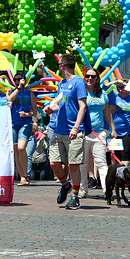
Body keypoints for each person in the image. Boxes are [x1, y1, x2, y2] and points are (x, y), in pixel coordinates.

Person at [43, 53, 89, 210]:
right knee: (54, 163)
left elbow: (82, 106)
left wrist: (76, 127)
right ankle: (65, 184)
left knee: (74, 165)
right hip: (58, 129)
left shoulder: (79, 82)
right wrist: (50, 109)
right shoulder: (61, 84)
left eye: (59, 65)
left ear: (62, 65)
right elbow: (60, 105)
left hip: (73, 130)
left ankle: (75, 197)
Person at [79, 68, 116, 198]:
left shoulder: (102, 94)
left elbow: (107, 113)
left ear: (97, 79)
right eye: (87, 76)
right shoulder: (81, 92)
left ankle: (107, 189)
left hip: (99, 132)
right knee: (83, 163)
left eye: (93, 77)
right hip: (83, 131)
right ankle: (83, 189)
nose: (90, 79)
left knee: (101, 162)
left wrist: (113, 129)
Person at [7, 73, 38, 186]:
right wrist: (19, 88)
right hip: (13, 123)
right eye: (15, 80)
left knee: (21, 148)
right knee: (16, 151)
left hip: (25, 123)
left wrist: (26, 114)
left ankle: (25, 174)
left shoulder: (30, 94)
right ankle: (22, 177)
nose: (17, 81)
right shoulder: (10, 91)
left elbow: (34, 112)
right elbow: (10, 99)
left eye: (19, 79)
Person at [109, 79, 130, 167]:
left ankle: (123, 176)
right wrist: (114, 83)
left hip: (129, 131)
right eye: (125, 88)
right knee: (117, 155)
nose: (127, 90)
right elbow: (102, 88)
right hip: (115, 131)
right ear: (120, 89)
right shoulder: (114, 97)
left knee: (125, 153)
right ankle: (118, 175)